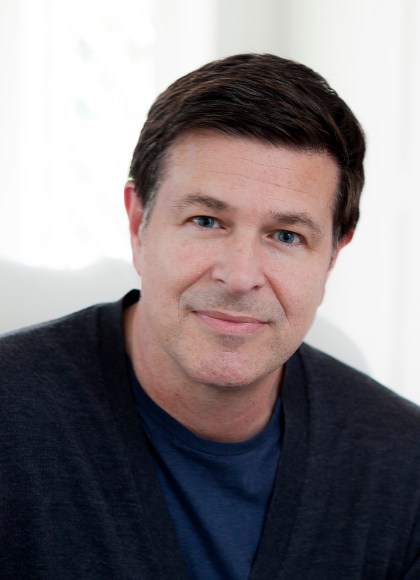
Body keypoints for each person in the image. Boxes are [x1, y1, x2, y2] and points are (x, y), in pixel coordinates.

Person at [0, 53, 419, 580]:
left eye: (286, 236)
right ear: (138, 224)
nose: (240, 276)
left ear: (333, 256)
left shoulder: (404, 468)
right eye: (206, 220)